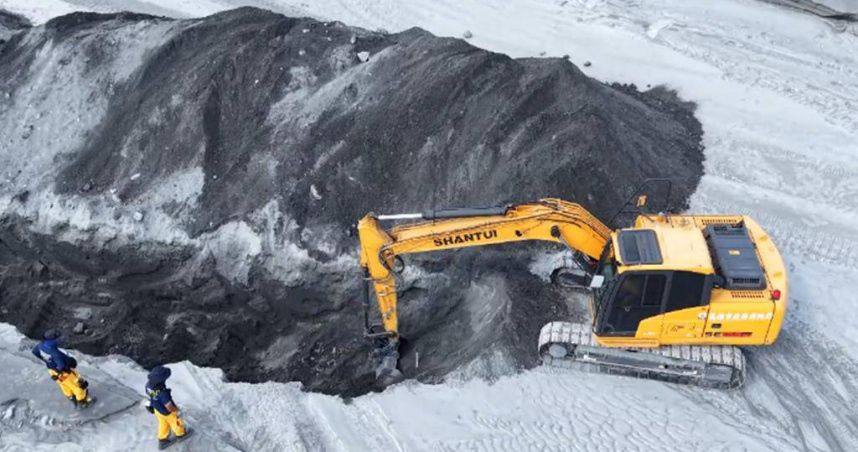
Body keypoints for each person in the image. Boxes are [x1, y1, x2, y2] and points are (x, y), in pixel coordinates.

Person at [31, 329, 94, 409]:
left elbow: (35, 352)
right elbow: (61, 365)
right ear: (52, 340)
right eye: (58, 338)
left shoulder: (40, 345)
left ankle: (71, 397)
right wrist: (64, 368)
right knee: (79, 386)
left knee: (64, 385)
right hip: (65, 373)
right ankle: (82, 401)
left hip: (52, 372)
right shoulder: (56, 353)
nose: (60, 339)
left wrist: (47, 361)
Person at [144, 366, 192, 449]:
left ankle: (162, 439)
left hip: (157, 409)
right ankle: (181, 435)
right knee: (176, 422)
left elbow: (149, 394)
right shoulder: (163, 393)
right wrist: (176, 410)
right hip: (167, 411)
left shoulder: (148, 384)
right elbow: (168, 406)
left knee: (163, 423)